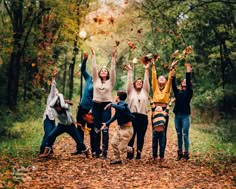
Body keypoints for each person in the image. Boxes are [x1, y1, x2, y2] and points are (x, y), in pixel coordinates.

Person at [39, 92, 90, 158]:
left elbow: (62, 105)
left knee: (79, 141)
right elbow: (51, 104)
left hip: (70, 126)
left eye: (59, 106)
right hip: (61, 126)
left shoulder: (66, 106)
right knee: (50, 136)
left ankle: (87, 151)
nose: (58, 108)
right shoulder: (53, 107)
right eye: (56, 106)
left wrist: (60, 95)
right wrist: (57, 96)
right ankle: (47, 151)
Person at [91, 47, 117, 159]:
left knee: (104, 128)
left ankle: (105, 153)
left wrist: (113, 57)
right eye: (102, 71)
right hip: (96, 105)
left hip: (106, 105)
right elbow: (93, 68)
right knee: (96, 128)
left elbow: (113, 70)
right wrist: (93, 55)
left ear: (107, 74)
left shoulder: (111, 82)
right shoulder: (95, 80)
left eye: (105, 71)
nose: (103, 72)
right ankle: (97, 151)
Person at [151, 55, 177, 153]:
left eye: (163, 78)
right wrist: (153, 64)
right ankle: (154, 154)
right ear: (158, 80)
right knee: (155, 131)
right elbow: (153, 76)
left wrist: (172, 68)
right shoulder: (155, 88)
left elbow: (170, 78)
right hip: (155, 110)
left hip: (164, 110)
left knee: (163, 132)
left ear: (165, 81)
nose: (161, 78)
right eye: (160, 77)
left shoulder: (167, 88)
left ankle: (162, 154)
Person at [71, 52, 95, 155]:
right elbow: (83, 70)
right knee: (80, 128)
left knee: (91, 130)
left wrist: (93, 109)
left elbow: (98, 98)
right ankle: (80, 148)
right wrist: (85, 59)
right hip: (82, 108)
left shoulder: (99, 83)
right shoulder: (89, 78)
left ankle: (94, 149)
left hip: (90, 110)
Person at [101, 90, 134, 165]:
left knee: (121, 148)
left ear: (118, 97)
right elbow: (116, 116)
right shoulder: (119, 105)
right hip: (119, 128)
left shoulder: (123, 104)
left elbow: (122, 108)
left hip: (127, 130)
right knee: (113, 143)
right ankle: (117, 159)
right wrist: (106, 123)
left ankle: (129, 149)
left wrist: (111, 104)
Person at [125, 62, 150, 160]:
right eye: (137, 82)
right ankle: (129, 154)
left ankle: (139, 154)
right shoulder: (130, 92)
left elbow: (147, 81)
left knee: (140, 136)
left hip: (143, 116)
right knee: (131, 135)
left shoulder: (145, 92)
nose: (139, 83)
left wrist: (146, 70)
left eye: (141, 82)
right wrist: (130, 71)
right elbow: (129, 82)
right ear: (134, 84)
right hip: (132, 116)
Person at [172, 63, 193, 161]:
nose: (184, 82)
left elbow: (188, 82)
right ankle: (179, 153)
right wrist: (173, 68)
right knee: (179, 134)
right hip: (177, 116)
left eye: (186, 81)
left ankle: (186, 154)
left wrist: (188, 71)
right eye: (183, 81)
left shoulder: (189, 92)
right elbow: (173, 83)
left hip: (185, 116)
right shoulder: (177, 92)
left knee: (185, 134)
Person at [149, 97, 175, 162]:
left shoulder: (164, 113)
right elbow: (152, 104)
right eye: (157, 107)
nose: (159, 107)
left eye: (160, 107)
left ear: (162, 109)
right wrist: (150, 99)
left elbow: (168, 107)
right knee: (154, 144)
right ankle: (155, 156)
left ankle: (162, 156)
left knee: (162, 144)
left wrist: (171, 101)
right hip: (155, 131)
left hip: (162, 132)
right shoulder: (154, 113)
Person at [39, 68, 57, 155]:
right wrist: (53, 78)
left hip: (53, 120)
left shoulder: (57, 101)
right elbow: (53, 88)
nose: (56, 92)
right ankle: (42, 149)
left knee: (53, 135)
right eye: (56, 92)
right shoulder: (51, 97)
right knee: (48, 133)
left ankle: (49, 148)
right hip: (47, 118)